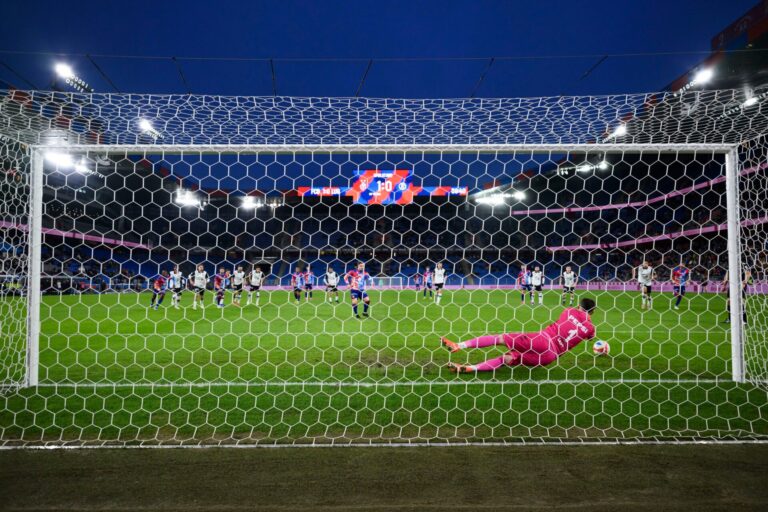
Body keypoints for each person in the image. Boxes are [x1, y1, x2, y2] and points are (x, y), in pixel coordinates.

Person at [442, 298, 597, 373]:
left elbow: (570, 318)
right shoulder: (591, 328)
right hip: (550, 357)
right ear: (592, 312)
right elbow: (591, 337)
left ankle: (459, 345)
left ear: (578, 306)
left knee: (500, 339)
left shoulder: (569, 310)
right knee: (507, 359)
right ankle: (471, 368)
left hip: (542, 340)